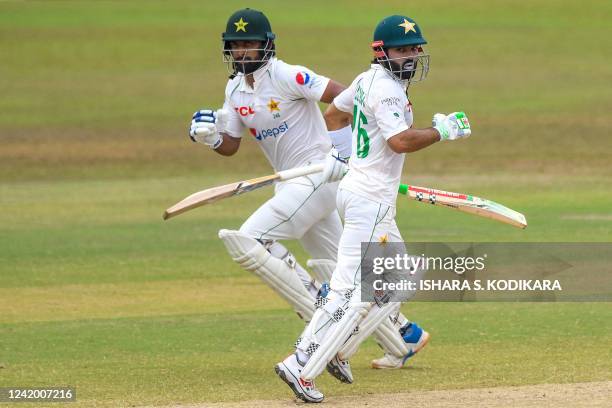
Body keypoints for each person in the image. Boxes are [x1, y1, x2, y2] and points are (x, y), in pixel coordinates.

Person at [189, 8, 429, 379]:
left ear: (267, 45)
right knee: (350, 274)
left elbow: (343, 101)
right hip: (294, 185)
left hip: (321, 177)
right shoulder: (234, 90)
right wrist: (211, 138)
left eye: (249, 44)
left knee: (250, 240)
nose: (242, 52)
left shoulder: (288, 75)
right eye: (235, 45)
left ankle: (317, 304)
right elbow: (231, 145)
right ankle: (404, 335)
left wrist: (343, 153)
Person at [275, 14, 472, 403]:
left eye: (416, 48)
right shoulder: (387, 91)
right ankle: (301, 365)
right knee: (352, 294)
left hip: (362, 193)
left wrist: (347, 157)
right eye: (403, 50)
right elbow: (400, 141)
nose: (412, 56)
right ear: (381, 52)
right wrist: (442, 132)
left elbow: (334, 113)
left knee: (401, 279)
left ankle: (339, 351)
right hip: (370, 202)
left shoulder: (366, 81)